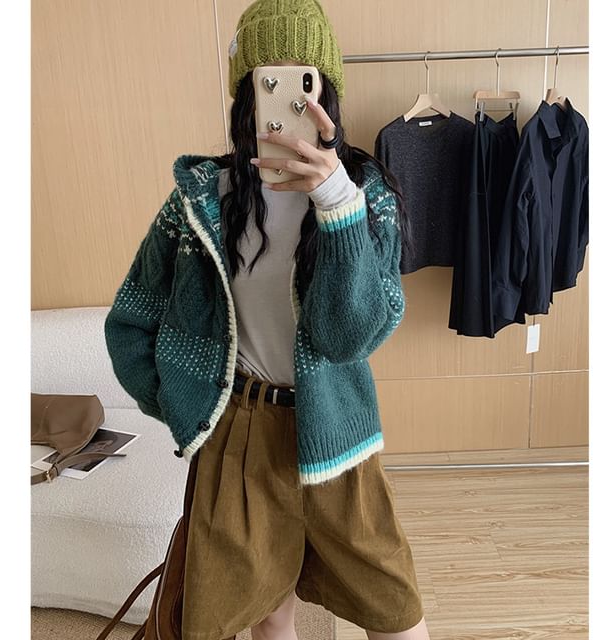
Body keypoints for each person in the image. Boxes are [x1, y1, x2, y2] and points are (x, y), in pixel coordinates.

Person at [104, 1, 431, 638]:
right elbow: (131, 320)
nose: (288, 103)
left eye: (304, 83)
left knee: (395, 612)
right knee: (264, 615)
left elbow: (348, 336)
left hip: (339, 432)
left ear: (326, 90)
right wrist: (183, 399)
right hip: (239, 436)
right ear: (245, 94)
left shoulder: (367, 195)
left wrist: (335, 203)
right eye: (268, 82)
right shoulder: (201, 200)